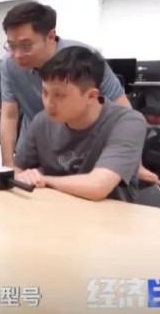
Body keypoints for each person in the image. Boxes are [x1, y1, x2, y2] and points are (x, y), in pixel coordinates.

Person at [0, 1, 160, 185]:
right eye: (11, 46)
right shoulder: (10, 65)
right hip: (39, 145)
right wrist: (9, 167)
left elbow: (122, 109)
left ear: (50, 36)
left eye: (26, 46)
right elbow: (10, 115)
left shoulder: (84, 61)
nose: (17, 55)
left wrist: (132, 162)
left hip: (83, 150)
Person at [14, 46, 148, 202]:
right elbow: (17, 169)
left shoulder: (127, 123)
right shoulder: (43, 120)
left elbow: (98, 186)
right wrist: (24, 176)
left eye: (59, 95)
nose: (49, 103)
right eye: (45, 92)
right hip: (54, 210)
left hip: (108, 214)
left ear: (91, 96)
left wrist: (44, 179)